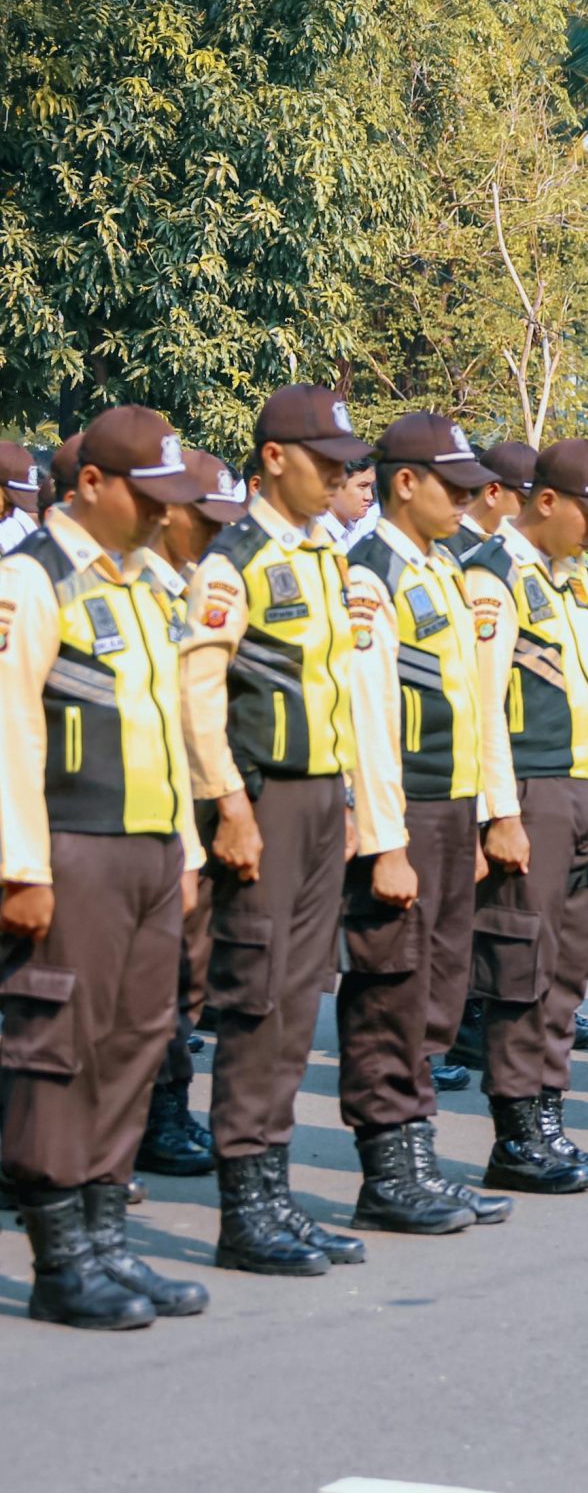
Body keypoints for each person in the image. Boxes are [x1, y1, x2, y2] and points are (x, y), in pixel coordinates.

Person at [182, 384, 404, 1277]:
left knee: (299, 999)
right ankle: (246, 1205)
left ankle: (275, 1193)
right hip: (262, 800)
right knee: (257, 996)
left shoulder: (324, 557)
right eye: (326, 463)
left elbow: (341, 690)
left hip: (318, 805)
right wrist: (229, 805)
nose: (339, 478)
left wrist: (349, 799)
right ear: (274, 459)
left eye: (348, 465)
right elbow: (200, 693)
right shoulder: (232, 562)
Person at [0, 407, 212, 1328]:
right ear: (91, 484)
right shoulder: (32, 579)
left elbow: (168, 730)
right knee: (60, 1049)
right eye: (148, 495)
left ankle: (107, 1239)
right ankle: (61, 1260)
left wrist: (186, 851)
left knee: (134, 1043)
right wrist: (21, 865)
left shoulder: (145, 584)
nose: (166, 513)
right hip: (71, 847)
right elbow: (8, 730)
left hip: (150, 849)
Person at [338, 415, 504, 1235]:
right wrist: (385, 838)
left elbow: (469, 703)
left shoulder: (441, 567)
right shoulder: (370, 573)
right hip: (401, 809)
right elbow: (366, 717)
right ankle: (387, 1171)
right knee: (389, 988)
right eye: (455, 486)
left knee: (435, 988)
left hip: (448, 804)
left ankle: (419, 1155)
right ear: (405, 481)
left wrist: (475, 817)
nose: (468, 500)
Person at [460, 437, 588, 1193]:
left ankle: (549, 1121)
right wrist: (497, 812)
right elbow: (480, 706)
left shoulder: (568, 575)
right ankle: (516, 1133)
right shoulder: (493, 577)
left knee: (567, 967)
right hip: (528, 793)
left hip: (579, 789)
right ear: (544, 501)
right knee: (521, 966)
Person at [134, 453, 248, 1180]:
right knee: (152, 977)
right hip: (139, 809)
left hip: (192, 803)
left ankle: (162, 1109)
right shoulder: (134, 585)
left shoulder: (185, 584)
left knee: (185, 972)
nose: (216, 535)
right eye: (207, 520)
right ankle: (153, 1115)